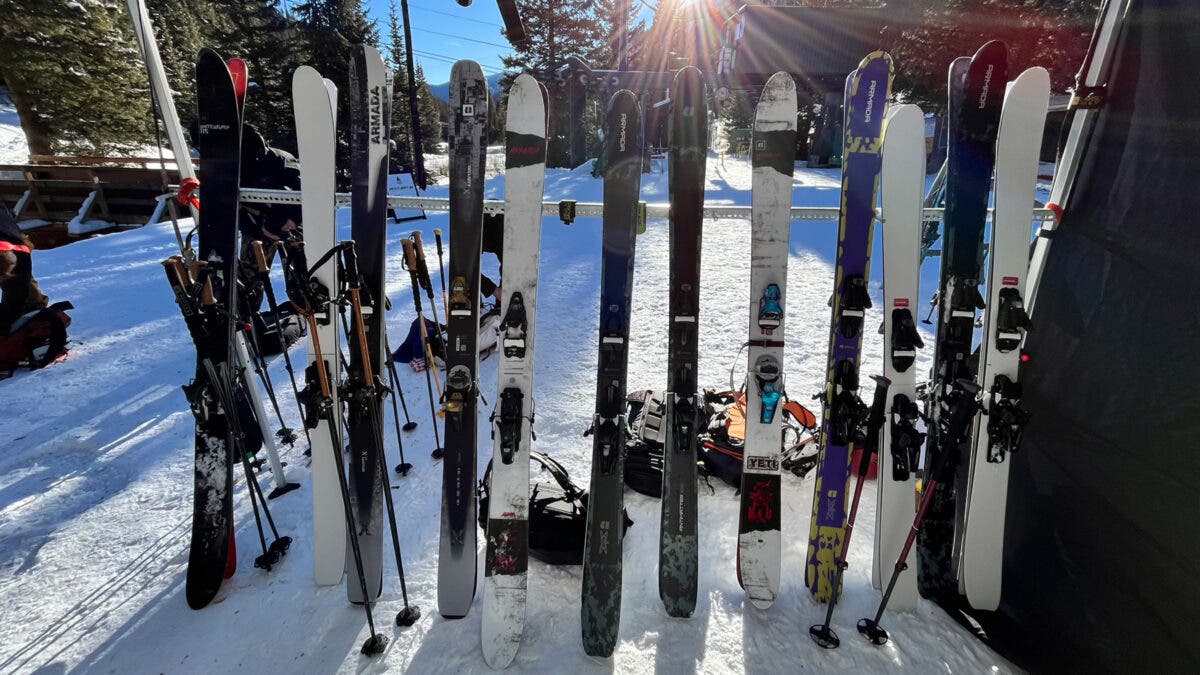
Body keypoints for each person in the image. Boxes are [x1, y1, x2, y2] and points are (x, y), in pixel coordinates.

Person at [1, 202, 71, 373]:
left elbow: (16, 295)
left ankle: (36, 330)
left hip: (12, 243)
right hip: (8, 239)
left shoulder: (17, 257)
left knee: (25, 298)